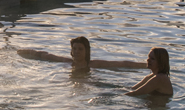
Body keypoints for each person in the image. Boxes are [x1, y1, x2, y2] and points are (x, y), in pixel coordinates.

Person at [18, 38, 174, 97]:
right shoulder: (153, 76)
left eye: (151, 59)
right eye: (74, 49)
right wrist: (25, 52)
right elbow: (45, 55)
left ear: (87, 51)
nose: (77, 52)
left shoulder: (159, 78)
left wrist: (108, 97)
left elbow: (123, 67)